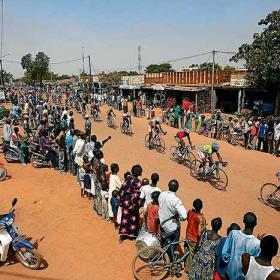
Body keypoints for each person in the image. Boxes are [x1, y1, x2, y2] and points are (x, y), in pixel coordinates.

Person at [222, 212, 261, 280]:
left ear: (243, 221)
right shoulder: (257, 243)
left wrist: (230, 263)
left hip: (229, 273)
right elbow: (255, 264)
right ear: (255, 224)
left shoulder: (233, 234)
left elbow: (224, 254)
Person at [158, 179, 187, 262]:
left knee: (164, 241)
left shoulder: (162, 194)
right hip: (171, 226)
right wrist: (178, 217)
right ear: (177, 188)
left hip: (162, 223)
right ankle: (169, 260)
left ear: (168, 185)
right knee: (173, 244)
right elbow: (184, 216)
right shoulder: (176, 200)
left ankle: (163, 254)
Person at [118, 164, 143, 242]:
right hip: (133, 203)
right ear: (139, 173)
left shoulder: (127, 179)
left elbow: (121, 190)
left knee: (124, 218)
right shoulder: (138, 182)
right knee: (133, 219)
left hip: (125, 202)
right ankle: (132, 235)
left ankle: (122, 236)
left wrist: (121, 201)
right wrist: (138, 204)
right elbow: (138, 195)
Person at [184, 199, 206, 273]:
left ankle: (186, 266)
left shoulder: (190, 212)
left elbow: (188, 219)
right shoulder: (201, 218)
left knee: (187, 251)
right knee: (192, 254)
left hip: (187, 235)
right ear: (201, 207)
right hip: (194, 239)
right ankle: (189, 270)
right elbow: (200, 232)